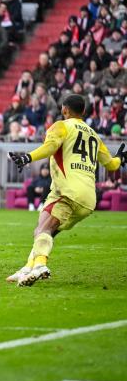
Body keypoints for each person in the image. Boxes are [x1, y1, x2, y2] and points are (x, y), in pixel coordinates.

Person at [7, 94, 126, 286]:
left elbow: (50, 146)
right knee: (43, 229)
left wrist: (27, 157)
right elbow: (112, 165)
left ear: (64, 110)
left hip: (69, 192)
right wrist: (121, 158)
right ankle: (28, 267)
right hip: (87, 198)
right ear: (84, 112)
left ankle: (40, 266)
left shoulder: (61, 126)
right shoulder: (94, 135)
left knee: (44, 230)